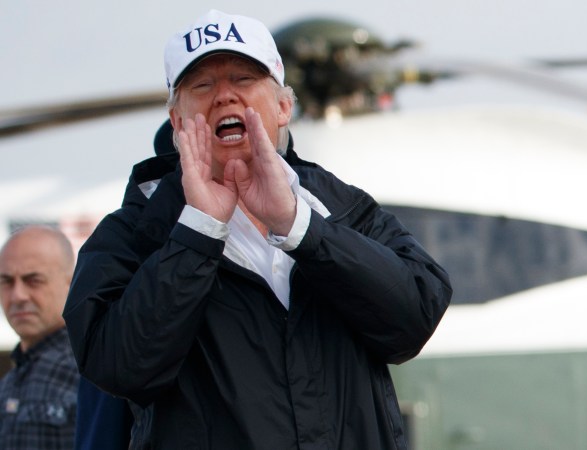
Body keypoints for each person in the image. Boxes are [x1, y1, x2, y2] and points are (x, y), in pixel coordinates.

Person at [63, 9, 452, 450]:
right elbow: (118, 365)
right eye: (202, 85)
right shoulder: (132, 233)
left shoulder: (341, 207)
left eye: (244, 80)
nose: (224, 97)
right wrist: (199, 231)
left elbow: (414, 319)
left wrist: (302, 229)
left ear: (284, 106)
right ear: (176, 121)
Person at [0, 226, 79, 449]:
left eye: (33, 280)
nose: (18, 296)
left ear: (71, 283)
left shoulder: (92, 369)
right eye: (6, 281)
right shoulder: (10, 381)